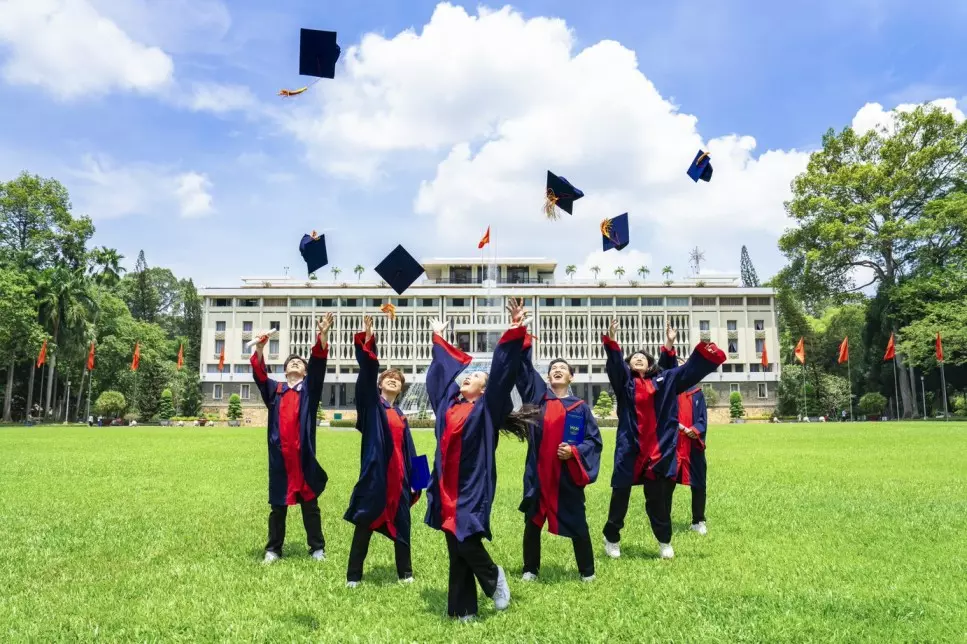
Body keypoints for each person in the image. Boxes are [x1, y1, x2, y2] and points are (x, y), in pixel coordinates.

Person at [424, 299, 534, 621]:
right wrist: (439, 341)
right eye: (467, 375)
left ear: (484, 391)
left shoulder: (487, 409)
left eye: (475, 377)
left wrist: (514, 330)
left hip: (471, 484)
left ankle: (493, 576)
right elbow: (439, 379)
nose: (467, 377)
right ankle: (463, 611)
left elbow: (501, 375)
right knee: (454, 547)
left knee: (467, 540)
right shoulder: (449, 405)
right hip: (445, 484)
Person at [601, 320, 726, 560]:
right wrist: (613, 341)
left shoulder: (663, 381)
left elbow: (682, 372)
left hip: (657, 452)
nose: (638, 358)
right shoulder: (624, 383)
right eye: (633, 357)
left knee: (657, 500)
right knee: (620, 497)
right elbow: (615, 366)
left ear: (650, 365)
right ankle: (612, 537)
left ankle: (664, 541)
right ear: (628, 364)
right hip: (630, 449)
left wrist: (669, 343)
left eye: (643, 357)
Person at [516, 327, 602, 582]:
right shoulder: (538, 399)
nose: (557, 369)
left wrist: (574, 451)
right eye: (553, 367)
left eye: (563, 367)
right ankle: (530, 569)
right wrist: (522, 335)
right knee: (532, 523)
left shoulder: (580, 408)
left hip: (565, 475)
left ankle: (587, 572)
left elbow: (593, 441)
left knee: (578, 522)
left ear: (571, 377)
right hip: (539, 473)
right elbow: (523, 369)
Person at [345, 315, 420, 587]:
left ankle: (406, 574)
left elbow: (411, 450)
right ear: (379, 384)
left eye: (397, 380)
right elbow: (366, 375)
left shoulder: (400, 415)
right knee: (364, 523)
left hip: (398, 480)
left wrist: (420, 483)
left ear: (401, 389)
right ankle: (354, 576)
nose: (392, 380)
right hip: (376, 477)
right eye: (387, 377)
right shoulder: (370, 407)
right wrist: (368, 342)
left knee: (403, 527)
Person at [251, 312, 333, 564]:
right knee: (278, 507)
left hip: (303, 458)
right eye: (291, 362)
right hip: (280, 459)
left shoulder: (310, 390)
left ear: (305, 373)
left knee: (310, 505)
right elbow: (260, 375)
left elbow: (318, 365)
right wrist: (261, 349)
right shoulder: (275, 390)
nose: (296, 364)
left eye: (300, 363)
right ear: (285, 370)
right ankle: (274, 549)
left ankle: (317, 548)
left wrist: (322, 336)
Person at [658, 334, 710, 537]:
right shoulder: (665, 391)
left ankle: (698, 520)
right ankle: (664, 520)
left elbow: (702, 420)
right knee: (666, 485)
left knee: (698, 484)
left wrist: (694, 430)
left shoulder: (696, 392)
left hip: (692, 444)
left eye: (682, 365)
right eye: (676, 365)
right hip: (671, 445)